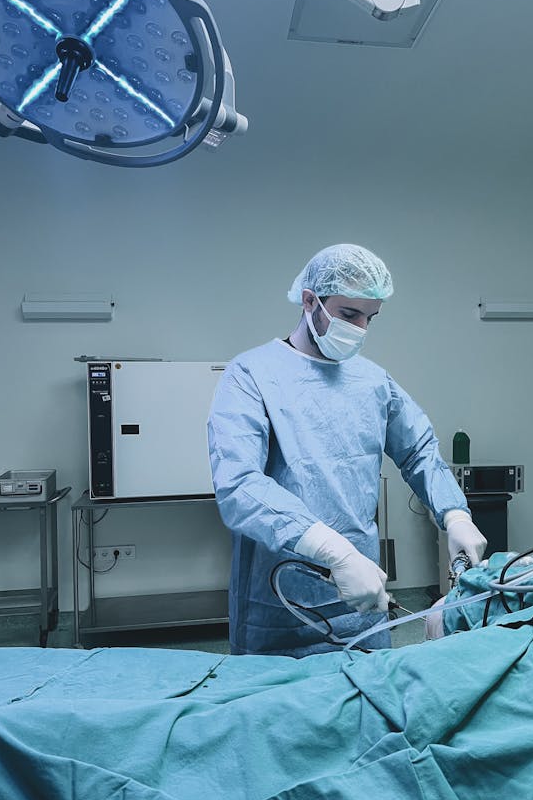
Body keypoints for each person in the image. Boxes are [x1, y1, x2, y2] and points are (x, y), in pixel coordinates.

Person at [208, 244, 486, 657]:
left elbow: (419, 451)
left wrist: (455, 514)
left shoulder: (372, 381)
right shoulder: (251, 374)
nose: (360, 328)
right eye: (348, 314)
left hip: (362, 599)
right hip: (279, 603)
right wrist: (333, 550)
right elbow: (239, 485)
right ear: (309, 301)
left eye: (370, 318)